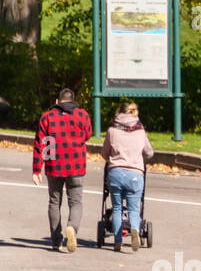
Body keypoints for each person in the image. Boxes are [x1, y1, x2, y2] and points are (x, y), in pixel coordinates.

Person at [31, 87, 92, 252]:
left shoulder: (47, 117)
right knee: (76, 202)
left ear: (57, 102)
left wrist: (37, 169)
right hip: (76, 165)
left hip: (54, 166)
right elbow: (87, 134)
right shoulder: (82, 115)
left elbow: (42, 144)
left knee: (54, 202)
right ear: (73, 101)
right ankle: (72, 227)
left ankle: (56, 240)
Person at [101, 101, 154, 252]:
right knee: (134, 209)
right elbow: (149, 153)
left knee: (117, 208)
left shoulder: (112, 129)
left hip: (116, 173)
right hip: (135, 174)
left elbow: (105, 153)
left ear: (120, 112)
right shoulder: (140, 130)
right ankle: (135, 230)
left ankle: (118, 241)